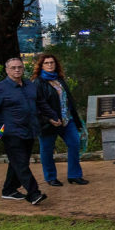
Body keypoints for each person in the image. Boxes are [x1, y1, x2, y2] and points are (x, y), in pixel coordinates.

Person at [0, 57, 55, 205]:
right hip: (10, 132)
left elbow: (41, 103)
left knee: (19, 162)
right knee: (21, 164)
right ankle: (34, 193)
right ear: (7, 70)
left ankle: (9, 190)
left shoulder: (30, 86)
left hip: (29, 130)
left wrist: (53, 116)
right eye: (13, 68)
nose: (17, 70)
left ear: (23, 69)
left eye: (20, 67)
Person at [32, 54, 88, 187]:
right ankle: (51, 177)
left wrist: (75, 119)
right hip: (48, 123)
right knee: (47, 150)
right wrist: (49, 119)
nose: (50, 65)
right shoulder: (38, 83)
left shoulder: (60, 80)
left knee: (74, 144)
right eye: (46, 63)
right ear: (41, 66)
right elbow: (37, 105)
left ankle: (74, 175)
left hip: (67, 120)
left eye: (52, 62)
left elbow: (68, 101)